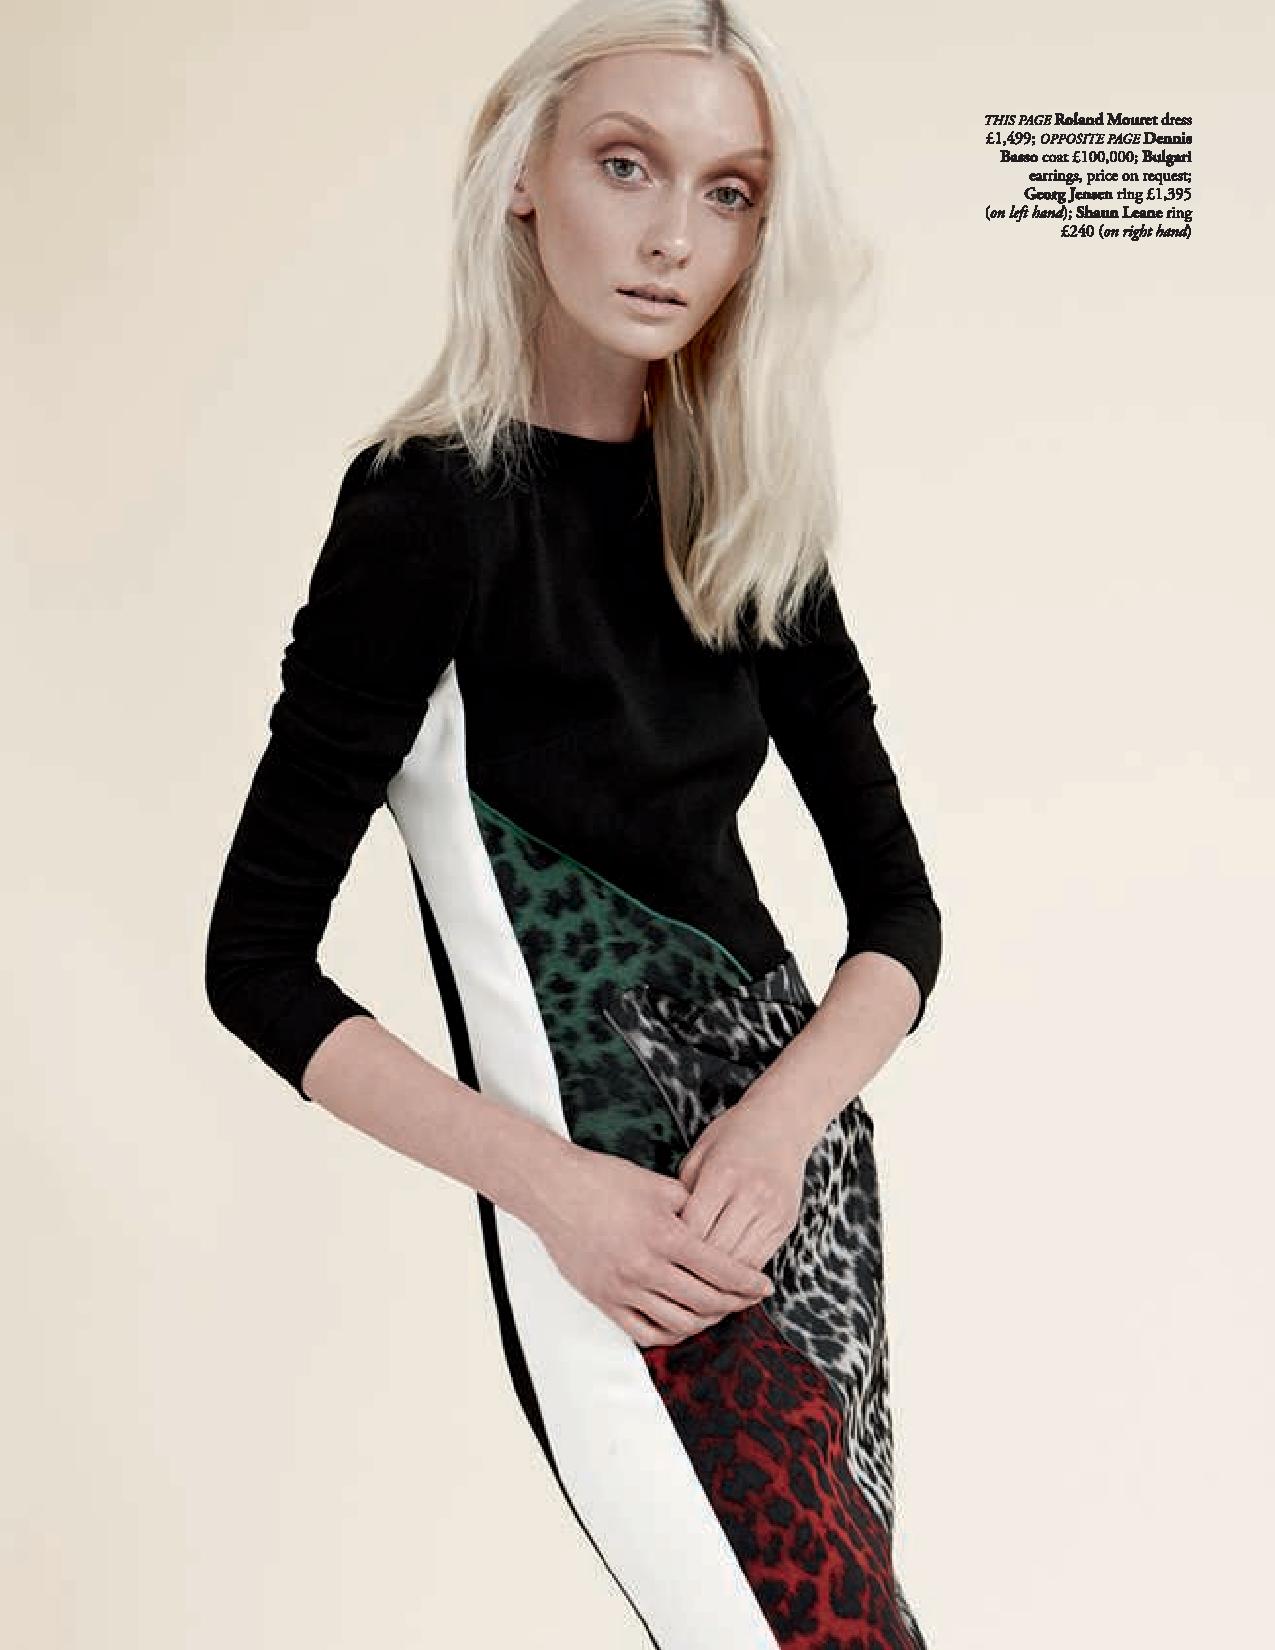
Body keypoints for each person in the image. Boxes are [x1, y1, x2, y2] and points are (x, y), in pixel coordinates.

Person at [204, 2, 942, 1645]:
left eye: (730, 192)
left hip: (797, 1205)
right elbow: (254, 961)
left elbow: (900, 920)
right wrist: (553, 1192)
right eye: (628, 165)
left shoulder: (747, 511)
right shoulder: (424, 514)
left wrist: (780, 1130)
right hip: (604, 1229)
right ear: (524, 169)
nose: (676, 235)